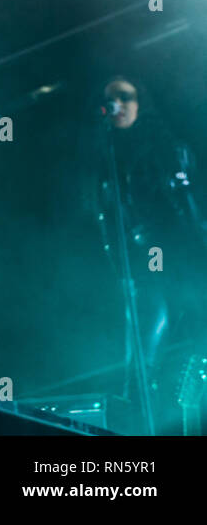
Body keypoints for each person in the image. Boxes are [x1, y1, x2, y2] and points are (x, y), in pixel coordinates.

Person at [90, 74, 207, 433]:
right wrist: (122, 272)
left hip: (185, 258)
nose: (118, 106)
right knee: (143, 360)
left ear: (141, 102)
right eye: (111, 100)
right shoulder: (105, 158)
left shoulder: (168, 146)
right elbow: (107, 221)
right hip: (145, 269)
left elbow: (190, 207)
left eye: (125, 97)